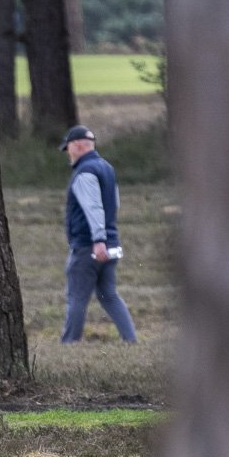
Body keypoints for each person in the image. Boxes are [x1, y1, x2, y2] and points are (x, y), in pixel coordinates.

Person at [59, 125, 139, 345]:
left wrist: (98, 240)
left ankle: (69, 343)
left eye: (68, 148)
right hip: (111, 243)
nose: (68, 153)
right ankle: (130, 340)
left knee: (76, 297)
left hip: (90, 246)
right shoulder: (106, 167)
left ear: (77, 145)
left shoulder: (85, 173)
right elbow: (114, 204)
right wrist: (108, 237)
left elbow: (94, 208)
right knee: (109, 295)